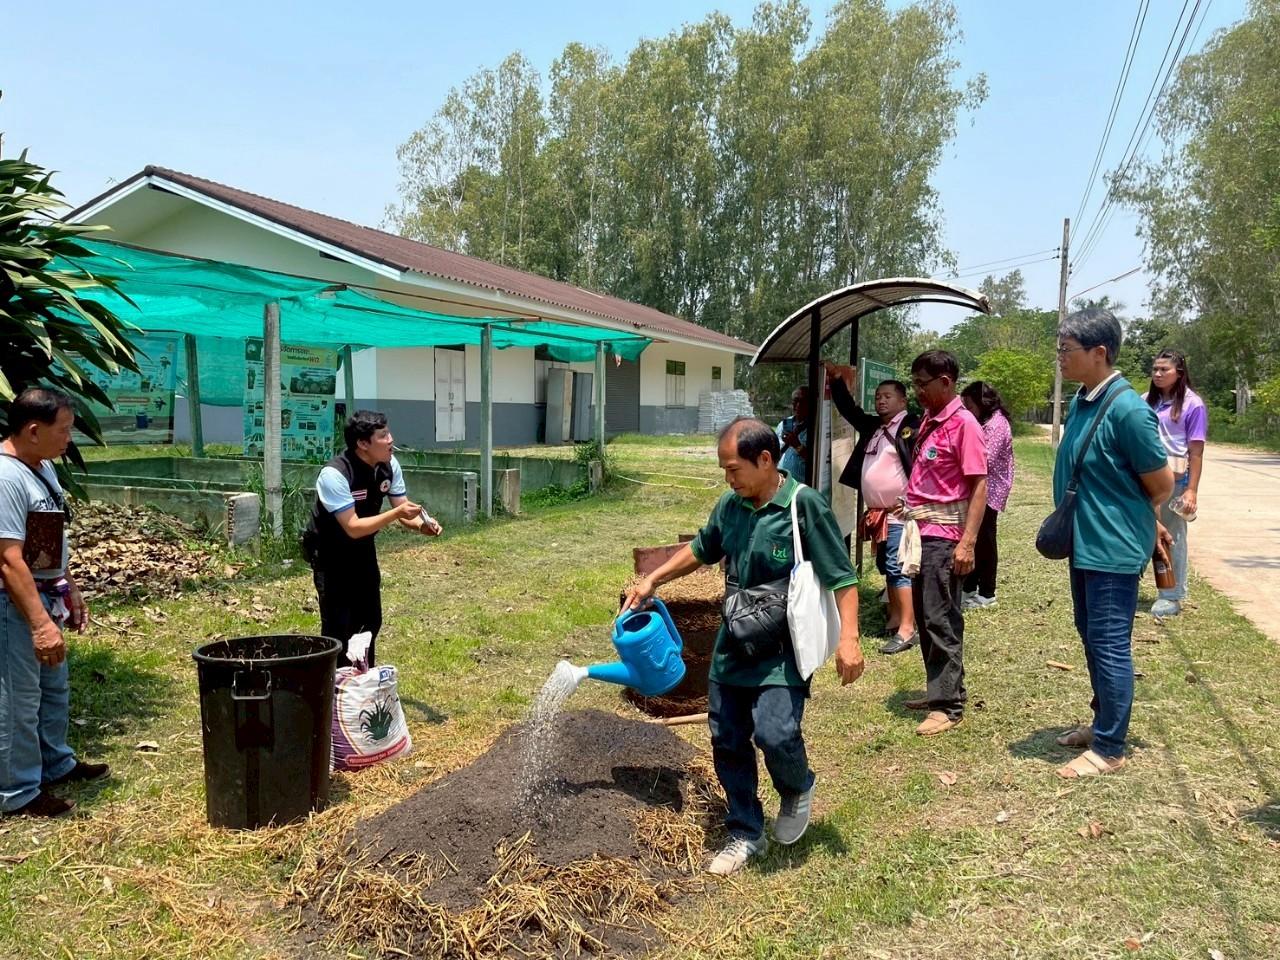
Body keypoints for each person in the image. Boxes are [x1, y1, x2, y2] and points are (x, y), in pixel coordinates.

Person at [623, 417, 864, 876]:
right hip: (734, 641)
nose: (728, 479)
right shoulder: (730, 506)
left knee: (776, 734)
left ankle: (797, 785)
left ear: (766, 460)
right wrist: (654, 579)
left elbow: (841, 576)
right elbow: (701, 548)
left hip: (782, 647)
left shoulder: (803, 506)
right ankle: (746, 830)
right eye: (724, 471)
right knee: (728, 738)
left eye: (734, 469)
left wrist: (849, 639)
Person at [1052, 309, 1173, 779]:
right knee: (1091, 635)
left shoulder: (1128, 410)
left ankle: (1109, 747)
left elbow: (1161, 484)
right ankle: (1103, 720)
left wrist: (1141, 521)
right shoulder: (1084, 401)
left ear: (1099, 352)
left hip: (1112, 548)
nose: (1060, 357)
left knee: (1108, 643)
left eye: (1067, 350)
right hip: (1085, 544)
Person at [1, 388, 109, 818]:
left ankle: (55, 763)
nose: (69, 439)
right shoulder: (6, 478)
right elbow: (8, 560)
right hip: (14, 604)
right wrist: (39, 624)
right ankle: (18, 791)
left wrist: (68, 585)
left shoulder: (41, 466)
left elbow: (46, 541)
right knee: (18, 699)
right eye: (63, 430)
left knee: (52, 687)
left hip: (46, 594)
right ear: (33, 431)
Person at [302, 410, 442, 666]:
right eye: (383, 435)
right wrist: (396, 513)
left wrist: (422, 525)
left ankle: (364, 676)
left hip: (363, 548)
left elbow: (402, 508)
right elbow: (353, 527)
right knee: (339, 626)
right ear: (363, 444)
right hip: (331, 553)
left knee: (370, 619)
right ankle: (334, 683)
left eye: (389, 433)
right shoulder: (335, 475)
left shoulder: (389, 465)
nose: (391, 440)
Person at [897, 351, 987, 737]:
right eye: (915, 384)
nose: (917, 391)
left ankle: (947, 706)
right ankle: (942, 690)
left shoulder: (964, 424)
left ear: (945, 382)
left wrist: (968, 542)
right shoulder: (930, 420)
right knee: (926, 615)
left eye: (922, 384)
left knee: (941, 618)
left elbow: (979, 484)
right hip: (922, 533)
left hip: (945, 537)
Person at [822, 361, 922, 655]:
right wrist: (836, 381)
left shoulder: (913, 427)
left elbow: (923, 466)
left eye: (888, 396)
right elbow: (849, 411)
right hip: (878, 513)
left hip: (899, 513)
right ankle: (895, 617)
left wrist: (913, 502)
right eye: (878, 396)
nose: (881, 401)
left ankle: (908, 629)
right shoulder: (874, 426)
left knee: (898, 567)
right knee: (887, 567)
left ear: (902, 400)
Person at [1145, 350, 1206, 617]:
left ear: (1179, 373)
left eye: (1164, 370)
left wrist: (1191, 490)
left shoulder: (1193, 405)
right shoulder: (1146, 401)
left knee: (1171, 536)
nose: (1158, 374)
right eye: (1155, 369)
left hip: (1174, 480)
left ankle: (1171, 595)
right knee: (1142, 531)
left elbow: (1196, 452)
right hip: (1143, 478)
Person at [959, 381, 1015, 610]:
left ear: (982, 403)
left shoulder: (997, 424)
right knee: (975, 539)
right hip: (979, 488)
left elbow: (985, 459)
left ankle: (987, 593)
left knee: (985, 541)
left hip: (991, 490)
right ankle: (969, 587)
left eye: (969, 405)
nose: (967, 410)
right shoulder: (985, 422)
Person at [775, 386, 809, 480]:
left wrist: (797, 445)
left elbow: (815, 461)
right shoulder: (783, 424)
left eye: (803, 401)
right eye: (796, 401)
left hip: (800, 484)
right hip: (781, 482)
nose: (798, 405)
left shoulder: (814, 430)